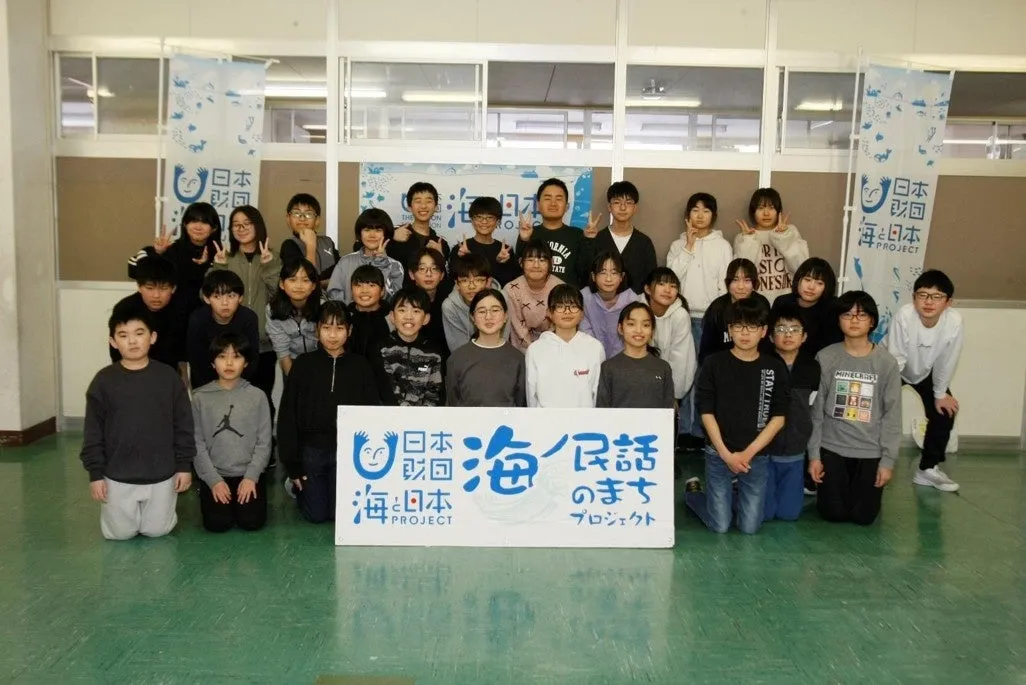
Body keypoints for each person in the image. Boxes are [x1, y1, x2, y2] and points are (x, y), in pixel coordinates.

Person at [79, 302, 194, 540]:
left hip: (161, 473)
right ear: (113, 342)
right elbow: (93, 431)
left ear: (153, 337)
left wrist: (184, 466)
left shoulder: (168, 378)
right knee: (120, 534)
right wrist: (96, 474)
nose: (132, 341)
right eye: (123, 335)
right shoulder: (103, 381)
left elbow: (183, 425)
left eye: (139, 333)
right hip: (117, 475)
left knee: (157, 531)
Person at [685, 297, 788, 535]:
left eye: (752, 326)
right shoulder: (713, 363)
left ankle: (724, 498)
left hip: (756, 456)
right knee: (720, 525)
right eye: (738, 326)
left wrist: (747, 453)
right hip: (719, 453)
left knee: (749, 527)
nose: (745, 333)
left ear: (763, 331)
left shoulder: (774, 367)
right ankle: (694, 494)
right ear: (729, 330)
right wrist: (725, 454)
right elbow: (706, 412)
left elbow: (779, 418)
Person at [277, 301, 381, 523]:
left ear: (349, 331)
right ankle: (296, 485)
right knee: (316, 515)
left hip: (348, 450)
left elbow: (373, 413)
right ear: (317, 330)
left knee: (339, 514)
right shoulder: (303, 365)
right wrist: (292, 464)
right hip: (312, 450)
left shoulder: (361, 366)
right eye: (326, 328)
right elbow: (287, 415)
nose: (332, 335)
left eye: (339, 328)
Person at [808, 291, 901, 526]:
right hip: (832, 448)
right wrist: (814, 456)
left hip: (870, 451)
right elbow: (816, 412)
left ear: (872, 321)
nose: (854, 320)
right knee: (833, 514)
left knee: (864, 517)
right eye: (847, 315)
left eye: (861, 315)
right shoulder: (826, 357)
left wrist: (887, 462)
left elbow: (892, 416)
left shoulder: (886, 363)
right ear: (838, 320)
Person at [886, 269, 963, 493]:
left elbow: (947, 360)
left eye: (937, 296)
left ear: (948, 302)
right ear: (914, 298)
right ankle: (872, 463)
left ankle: (927, 469)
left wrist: (940, 394)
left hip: (926, 371)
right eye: (923, 295)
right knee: (877, 412)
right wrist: (888, 394)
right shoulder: (904, 315)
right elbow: (896, 358)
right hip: (893, 368)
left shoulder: (955, 322)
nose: (929, 302)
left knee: (945, 411)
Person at [666, 192, 733, 443]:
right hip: (681, 316)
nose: (700, 215)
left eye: (706, 210)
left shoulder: (722, 246)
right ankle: (683, 430)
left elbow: (726, 285)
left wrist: (721, 317)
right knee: (682, 373)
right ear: (687, 215)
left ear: (713, 215)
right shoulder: (678, 245)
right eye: (695, 210)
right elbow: (671, 280)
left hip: (711, 319)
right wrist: (689, 246)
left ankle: (700, 431)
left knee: (706, 374)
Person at [191, 333, 271, 533]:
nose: (229, 363)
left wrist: (251, 477)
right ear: (212, 363)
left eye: (236, 356)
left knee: (252, 522)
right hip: (216, 474)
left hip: (248, 474)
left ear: (246, 363)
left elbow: (264, 442)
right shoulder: (200, 398)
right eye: (221, 356)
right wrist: (213, 481)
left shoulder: (258, 396)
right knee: (217, 524)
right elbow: (196, 443)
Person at [128, 202, 222, 367]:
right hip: (170, 325)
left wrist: (210, 266)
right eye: (193, 220)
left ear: (213, 228)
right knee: (167, 373)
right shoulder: (170, 249)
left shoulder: (220, 255)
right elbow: (133, 269)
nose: (198, 226)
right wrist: (157, 253)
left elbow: (222, 289)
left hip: (204, 326)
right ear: (185, 224)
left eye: (204, 222)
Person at [210, 205, 281, 414]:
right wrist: (219, 267)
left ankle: (263, 435)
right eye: (236, 225)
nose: (241, 229)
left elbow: (278, 296)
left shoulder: (272, 257)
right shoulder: (225, 258)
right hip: (229, 343)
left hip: (263, 344)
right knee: (228, 401)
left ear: (257, 226)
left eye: (247, 224)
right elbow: (209, 295)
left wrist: (269, 267)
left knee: (262, 398)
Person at [763, 303, 820, 522]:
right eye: (781, 329)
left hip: (796, 452)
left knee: (789, 515)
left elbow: (815, 411)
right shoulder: (762, 364)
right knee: (765, 514)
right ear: (770, 336)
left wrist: (813, 454)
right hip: (764, 453)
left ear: (804, 336)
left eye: (795, 329)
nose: (788, 334)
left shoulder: (813, 368)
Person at [526, 284, 605, 408]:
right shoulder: (535, 349)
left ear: (582, 313)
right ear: (549, 312)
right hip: (546, 419)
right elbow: (531, 395)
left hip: (584, 419)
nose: (567, 311)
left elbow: (598, 394)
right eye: (560, 306)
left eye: (573, 306)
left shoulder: (595, 347)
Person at [445, 289, 526, 407]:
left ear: (505, 316)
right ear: (473, 317)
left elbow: (521, 403)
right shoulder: (457, 358)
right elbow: (453, 402)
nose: (488, 317)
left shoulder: (518, 359)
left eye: (495, 310)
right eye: (482, 311)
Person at [515, 178, 600, 288]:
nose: (553, 203)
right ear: (538, 204)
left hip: (568, 297)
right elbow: (519, 271)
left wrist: (589, 240)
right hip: (534, 297)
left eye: (559, 199)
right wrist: (524, 240)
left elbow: (585, 274)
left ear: (567, 206)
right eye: (547, 198)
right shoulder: (529, 234)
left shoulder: (578, 235)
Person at [733, 188, 809, 302]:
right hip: (756, 303)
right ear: (753, 211)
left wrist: (783, 237)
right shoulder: (743, 237)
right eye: (760, 208)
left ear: (778, 211)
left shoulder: (790, 232)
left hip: (787, 301)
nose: (766, 213)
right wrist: (748, 240)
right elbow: (742, 275)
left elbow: (802, 268)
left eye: (771, 208)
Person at [187, 270, 260, 389]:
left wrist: (236, 387)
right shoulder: (198, 319)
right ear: (206, 298)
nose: (225, 303)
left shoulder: (249, 318)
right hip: (206, 384)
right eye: (217, 296)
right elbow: (196, 361)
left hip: (241, 383)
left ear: (240, 298)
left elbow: (251, 358)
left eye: (231, 296)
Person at [596, 302, 675, 409]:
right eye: (631, 324)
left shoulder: (663, 368)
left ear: (652, 331)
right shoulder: (608, 367)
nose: (639, 330)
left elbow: (668, 410)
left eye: (646, 325)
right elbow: (602, 410)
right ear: (620, 328)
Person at [110, 254, 181, 370]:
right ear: (139, 287)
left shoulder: (181, 309)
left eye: (163, 288)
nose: (156, 295)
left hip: (168, 372)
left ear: (173, 288)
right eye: (149, 288)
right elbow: (117, 351)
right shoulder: (124, 308)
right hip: (130, 371)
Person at [377, 287, 445, 406]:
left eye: (416, 311)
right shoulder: (381, 349)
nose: (408, 317)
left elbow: (436, 393)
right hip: (389, 415)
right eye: (402, 310)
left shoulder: (433, 352)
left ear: (426, 318)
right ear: (392, 316)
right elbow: (384, 391)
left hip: (425, 416)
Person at [644, 267, 697, 415]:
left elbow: (681, 361)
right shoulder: (638, 310)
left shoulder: (680, 316)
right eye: (661, 284)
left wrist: (673, 395)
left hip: (668, 384)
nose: (668, 290)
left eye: (673, 286)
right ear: (648, 289)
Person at [699, 258, 771, 363]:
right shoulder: (717, 308)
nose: (740, 287)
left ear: (754, 283)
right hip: (723, 365)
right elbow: (706, 351)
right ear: (728, 283)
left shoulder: (761, 304)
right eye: (735, 280)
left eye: (747, 280)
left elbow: (767, 345)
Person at [591, 181, 657, 294]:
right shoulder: (597, 239)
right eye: (617, 202)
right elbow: (587, 275)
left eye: (628, 203)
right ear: (609, 207)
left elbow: (651, 279)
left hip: (636, 303)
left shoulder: (644, 242)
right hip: (601, 302)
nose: (623, 207)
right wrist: (588, 240)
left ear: (635, 207)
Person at [327, 208, 404, 304]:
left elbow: (393, 300)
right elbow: (333, 294)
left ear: (386, 234)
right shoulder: (346, 261)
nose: (372, 235)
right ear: (360, 233)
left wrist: (381, 263)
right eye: (367, 230)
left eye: (378, 230)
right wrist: (353, 308)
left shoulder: (395, 266)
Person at [771, 257, 842, 357]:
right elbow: (772, 337)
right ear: (798, 280)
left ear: (827, 287)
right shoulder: (782, 302)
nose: (811, 287)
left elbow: (833, 345)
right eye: (807, 280)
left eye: (819, 283)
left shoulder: (833, 306)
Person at [580, 251, 644, 359]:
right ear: (593, 276)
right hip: (590, 357)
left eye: (614, 273)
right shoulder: (583, 297)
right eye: (603, 272)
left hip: (624, 360)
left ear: (622, 276)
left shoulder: (632, 300)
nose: (608, 279)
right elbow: (585, 336)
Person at [503, 239, 563, 352]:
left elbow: (560, 326)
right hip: (521, 349)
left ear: (551, 262)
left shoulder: (560, 288)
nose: (536, 265)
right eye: (530, 260)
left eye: (542, 260)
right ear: (521, 262)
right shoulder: (511, 289)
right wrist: (532, 353)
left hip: (553, 347)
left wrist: (545, 351)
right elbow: (517, 329)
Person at [442, 253, 509, 352]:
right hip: (468, 358)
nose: (472, 286)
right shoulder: (450, 306)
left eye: (478, 280)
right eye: (465, 280)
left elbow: (504, 338)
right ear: (457, 284)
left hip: (500, 354)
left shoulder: (502, 298)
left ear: (488, 282)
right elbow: (458, 349)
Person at [448, 196, 521, 286]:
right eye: (479, 217)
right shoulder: (460, 249)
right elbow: (453, 281)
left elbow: (511, 283)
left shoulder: (506, 251)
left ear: (498, 221)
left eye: (490, 217)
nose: (484, 222)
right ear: (472, 220)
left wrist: (501, 264)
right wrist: (463, 259)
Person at [266, 259, 320, 377]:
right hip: (291, 359)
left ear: (313, 285)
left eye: (305, 280)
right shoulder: (273, 309)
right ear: (282, 284)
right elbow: (282, 350)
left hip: (320, 359)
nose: (299, 286)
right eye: (292, 280)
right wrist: (293, 381)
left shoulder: (323, 307)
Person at [388, 181, 451, 276]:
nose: (423, 206)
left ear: (436, 207)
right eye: (418, 201)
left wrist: (440, 257)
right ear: (409, 207)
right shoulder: (394, 233)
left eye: (428, 201)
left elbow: (444, 280)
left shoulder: (441, 244)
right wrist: (391, 236)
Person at [279, 193, 338, 287]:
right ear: (288, 218)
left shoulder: (327, 242)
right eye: (296, 213)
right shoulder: (289, 244)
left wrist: (320, 280)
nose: (302, 218)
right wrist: (311, 246)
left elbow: (340, 271)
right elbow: (306, 280)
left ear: (317, 220)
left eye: (308, 214)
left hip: (331, 295)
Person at [408, 247, 453, 357]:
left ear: (442, 275)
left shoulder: (450, 301)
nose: (429, 274)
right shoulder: (405, 302)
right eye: (422, 268)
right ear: (412, 274)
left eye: (434, 268)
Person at [345, 264, 393, 359]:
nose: (364, 290)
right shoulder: (345, 317)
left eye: (371, 285)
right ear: (351, 290)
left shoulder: (392, 317)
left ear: (382, 291)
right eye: (358, 285)